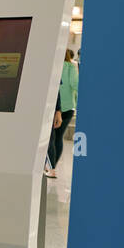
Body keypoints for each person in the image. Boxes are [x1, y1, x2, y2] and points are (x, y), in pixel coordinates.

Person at [45, 49, 79, 179]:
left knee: (50, 138)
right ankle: (52, 168)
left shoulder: (52, 65)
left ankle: (50, 167)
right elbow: (75, 84)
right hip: (68, 106)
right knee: (58, 138)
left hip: (53, 106)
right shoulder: (71, 66)